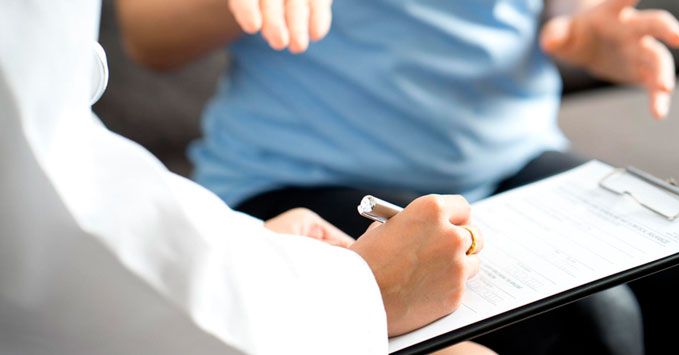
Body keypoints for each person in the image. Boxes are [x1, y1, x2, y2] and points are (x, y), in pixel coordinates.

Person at [117, 0, 679, 353]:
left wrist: (582, 29)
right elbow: (146, 34)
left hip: (513, 159)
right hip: (300, 178)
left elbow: (556, 12)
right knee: (592, 324)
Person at [0, 1, 499, 354]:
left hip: (505, 162)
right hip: (294, 181)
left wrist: (248, 241)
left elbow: (65, 151)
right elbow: (45, 217)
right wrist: (362, 295)